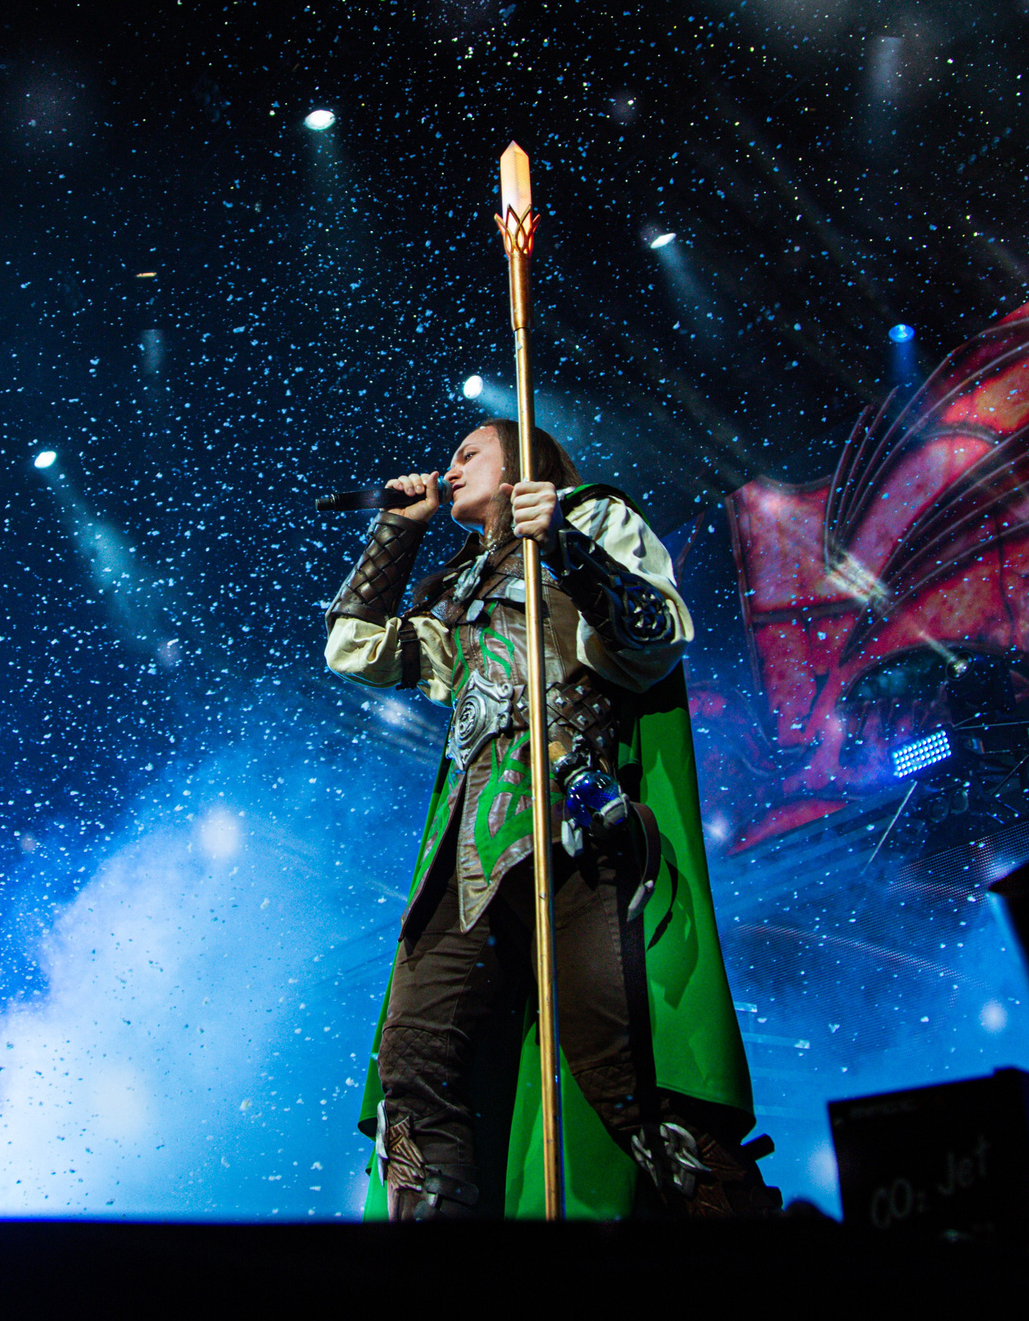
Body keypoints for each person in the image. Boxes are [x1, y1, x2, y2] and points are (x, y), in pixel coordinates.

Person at [325, 420, 772, 1220]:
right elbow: (353, 646)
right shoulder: (457, 585)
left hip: (577, 826)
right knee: (416, 1059)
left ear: (518, 464)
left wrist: (560, 537)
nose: (449, 464)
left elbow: (655, 636)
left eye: (469, 452)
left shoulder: (592, 515)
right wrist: (397, 529)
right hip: (469, 851)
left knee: (625, 1066)